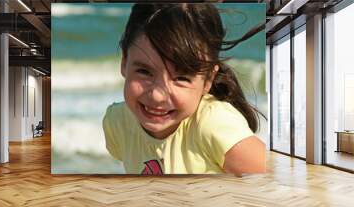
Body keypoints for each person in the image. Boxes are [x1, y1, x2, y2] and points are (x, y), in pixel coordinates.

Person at [102, 3, 266, 175]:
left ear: (208, 79)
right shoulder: (118, 123)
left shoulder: (213, 124)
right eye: (144, 71)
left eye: (181, 78)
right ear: (124, 62)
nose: (158, 96)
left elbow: (276, 182)